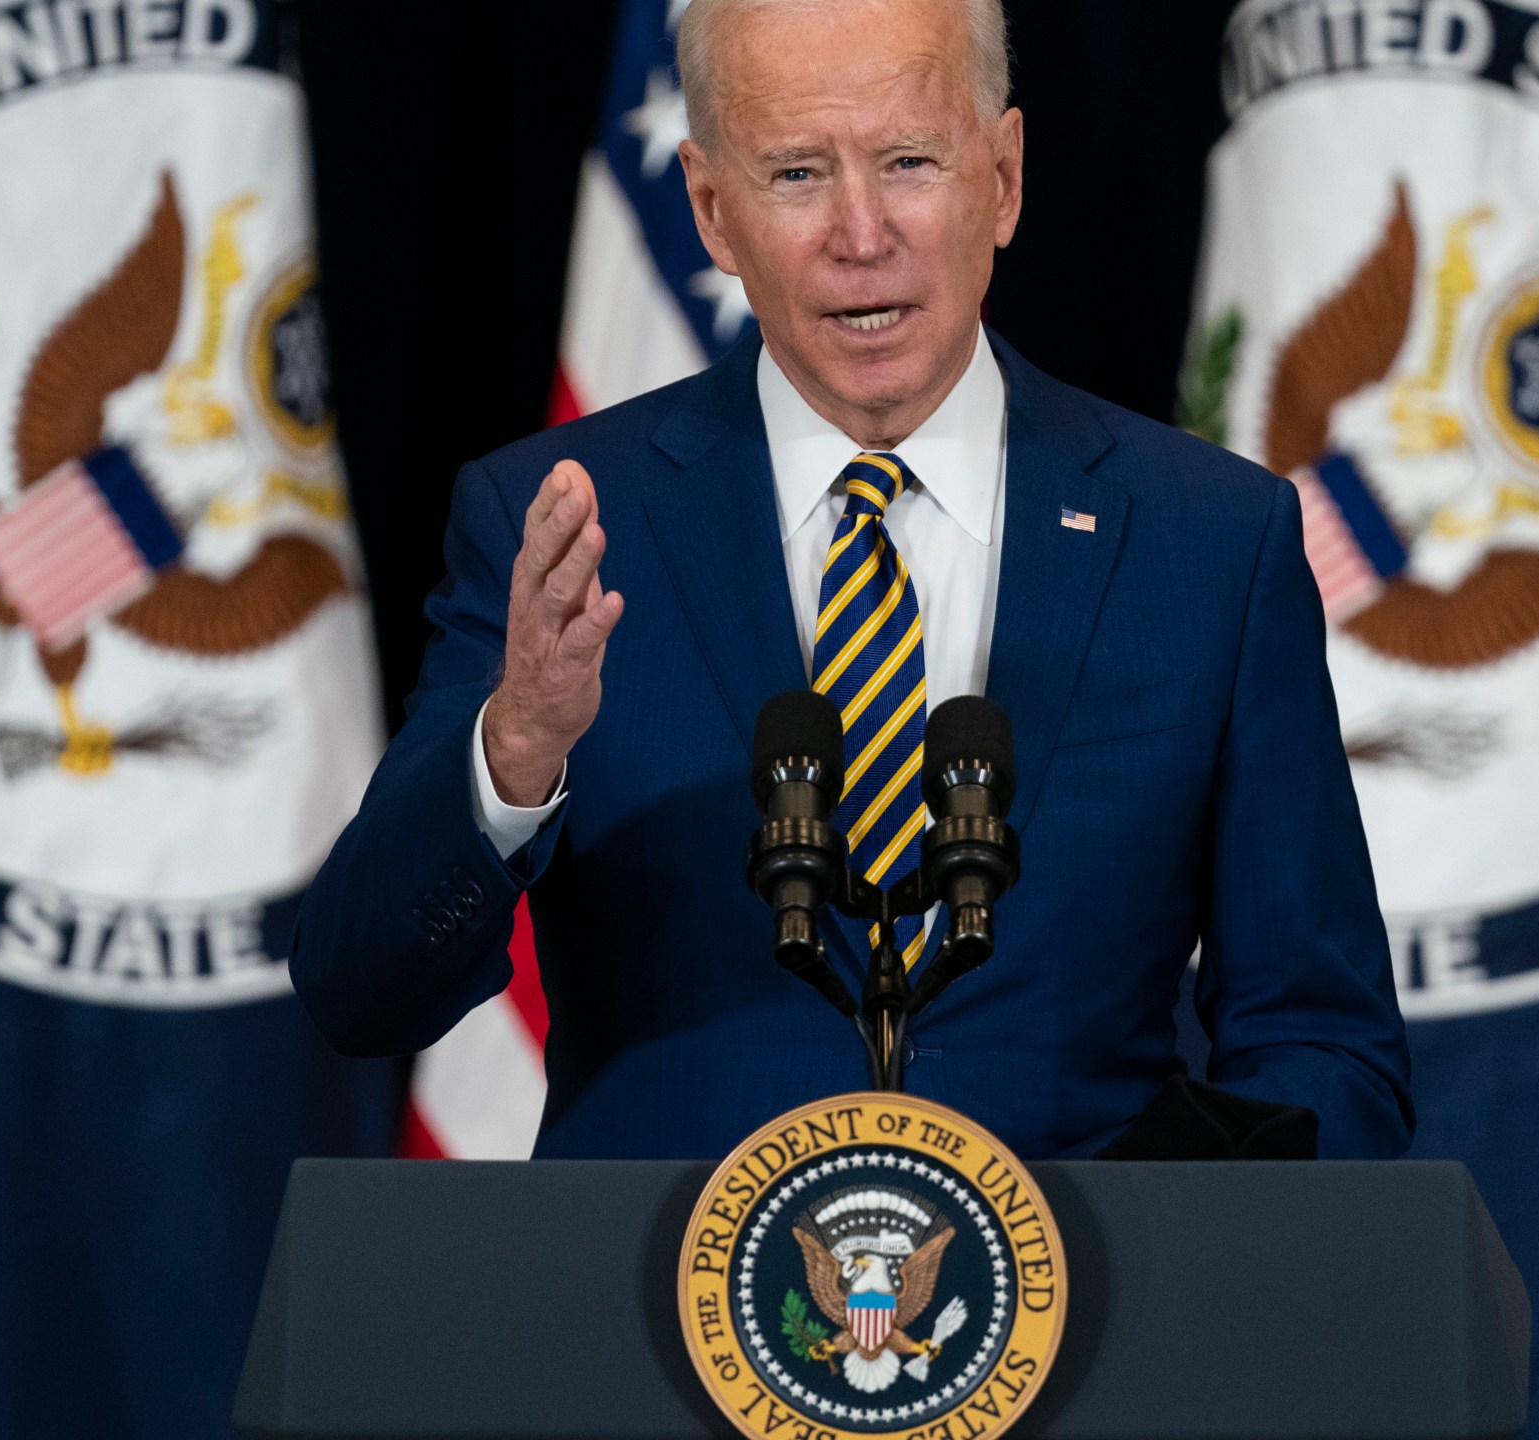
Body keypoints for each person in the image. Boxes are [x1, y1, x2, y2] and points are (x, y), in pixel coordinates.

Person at [292, 0, 1410, 1160]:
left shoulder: (1207, 541)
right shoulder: (564, 527)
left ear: (1006, 177)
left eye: (909, 162)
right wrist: (515, 751)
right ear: (711, 210)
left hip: (1086, 1315)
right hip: (658, 1317)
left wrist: (1201, 1284)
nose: (861, 234)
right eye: (795, 175)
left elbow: (1320, 1036)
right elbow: (360, 992)